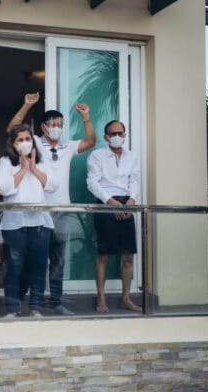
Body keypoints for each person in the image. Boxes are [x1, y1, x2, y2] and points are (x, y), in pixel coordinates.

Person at [6, 92, 96, 315]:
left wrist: (86, 117)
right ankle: (18, 302)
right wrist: (26, 105)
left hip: (61, 211)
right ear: (44, 127)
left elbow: (90, 141)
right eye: (53, 124)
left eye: (60, 124)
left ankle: (55, 302)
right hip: (37, 213)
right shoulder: (34, 142)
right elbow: (12, 129)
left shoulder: (68, 146)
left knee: (57, 260)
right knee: (31, 260)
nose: (57, 128)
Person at [0, 124, 58, 317]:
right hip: (15, 222)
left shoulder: (42, 161)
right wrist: (23, 169)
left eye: (27, 139)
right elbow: (4, 188)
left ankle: (35, 308)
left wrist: (33, 168)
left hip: (40, 221)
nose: (24, 143)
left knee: (39, 266)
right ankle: (13, 309)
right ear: (13, 144)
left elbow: (53, 185)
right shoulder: (5, 162)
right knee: (14, 266)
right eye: (20, 140)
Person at [86, 120, 141, 313]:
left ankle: (126, 298)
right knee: (104, 256)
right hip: (106, 204)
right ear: (106, 137)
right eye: (113, 133)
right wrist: (112, 204)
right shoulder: (97, 155)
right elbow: (93, 183)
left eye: (120, 133)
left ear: (125, 135)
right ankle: (101, 299)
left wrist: (132, 201)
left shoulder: (132, 156)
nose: (117, 136)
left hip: (128, 204)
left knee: (128, 255)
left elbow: (134, 179)